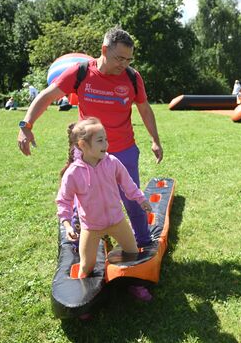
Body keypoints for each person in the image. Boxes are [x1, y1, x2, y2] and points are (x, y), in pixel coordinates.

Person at [17, 27, 162, 300]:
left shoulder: (132, 77)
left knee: (133, 202)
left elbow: (144, 108)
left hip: (124, 152)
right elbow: (47, 95)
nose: (125, 65)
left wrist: (155, 139)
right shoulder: (81, 72)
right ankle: (78, 263)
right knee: (78, 205)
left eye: (129, 59)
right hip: (86, 155)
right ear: (104, 50)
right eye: (120, 58)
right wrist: (26, 125)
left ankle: (141, 258)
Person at [56, 117, 152, 284]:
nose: (106, 144)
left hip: (117, 221)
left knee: (133, 253)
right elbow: (64, 200)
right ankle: (84, 298)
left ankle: (135, 284)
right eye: (100, 141)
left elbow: (128, 184)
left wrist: (140, 199)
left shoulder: (112, 162)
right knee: (87, 265)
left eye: (106, 139)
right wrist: (67, 224)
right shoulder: (73, 173)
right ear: (83, 145)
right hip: (91, 227)